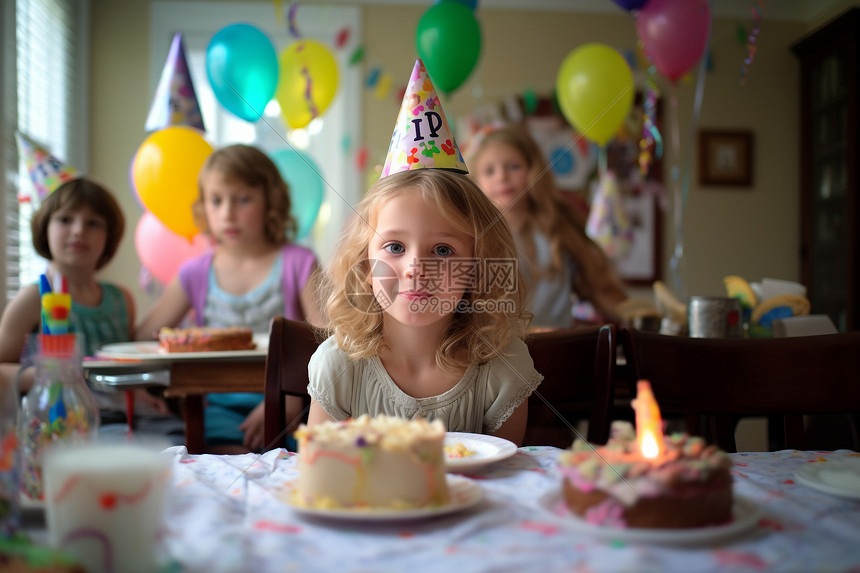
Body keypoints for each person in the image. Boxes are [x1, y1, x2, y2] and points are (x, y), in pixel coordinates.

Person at [307, 169, 542, 446]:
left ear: (476, 268)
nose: (415, 270)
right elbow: (322, 471)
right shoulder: (339, 366)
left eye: (442, 250)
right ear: (365, 266)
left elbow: (505, 477)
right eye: (395, 247)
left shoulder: (504, 367)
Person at [136, 144, 323, 454]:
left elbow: (325, 341)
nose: (228, 214)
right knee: (224, 463)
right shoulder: (195, 272)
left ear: (271, 201)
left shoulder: (299, 263)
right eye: (216, 200)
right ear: (204, 207)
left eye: (243, 199)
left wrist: (288, 404)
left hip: (292, 406)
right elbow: (142, 337)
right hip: (217, 410)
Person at [0, 177, 172, 425]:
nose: (79, 230)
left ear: (109, 237)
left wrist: (139, 392)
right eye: (65, 219)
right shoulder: (33, 299)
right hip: (64, 422)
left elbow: (123, 369)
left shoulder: (120, 300)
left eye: (93, 223)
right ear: (44, 227)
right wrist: (58, 373)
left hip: (130, 417)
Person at [467, 124, 628, 329]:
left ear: (533, 169)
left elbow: (597, 286)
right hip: (498, 351)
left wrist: (636, 313)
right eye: (489, 171)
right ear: (476, 182)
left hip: (555, 348)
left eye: (513, 166)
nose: (502, 177)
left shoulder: (560, 225)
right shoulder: (470, 235)